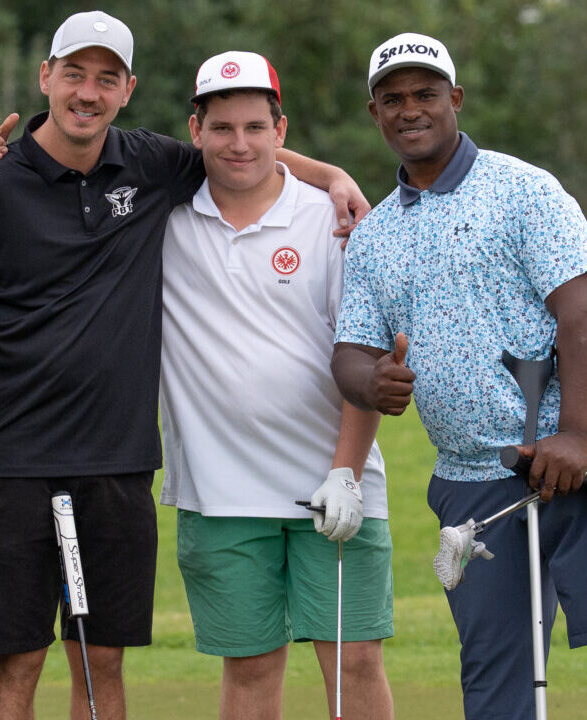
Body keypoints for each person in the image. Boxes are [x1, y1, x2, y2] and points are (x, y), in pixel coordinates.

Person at [0, 11, 369, 720]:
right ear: (46, 77)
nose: (88, 92)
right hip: (12, 461)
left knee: (100, 662)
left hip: (118, 463)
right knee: (16, 659)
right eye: (74, 74)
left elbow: (243, 154)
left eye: (107, 79)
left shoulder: (149, 164)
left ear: (128, 89)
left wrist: (333, 176)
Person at [330, 33, 587, 720]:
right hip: (470, 481)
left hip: (569, 461)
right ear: (374, 112)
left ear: (455, 98)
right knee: (495, 680)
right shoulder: (374, 235)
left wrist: (574, 433)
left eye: (424, 94)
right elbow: (351, 353)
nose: (409, 110)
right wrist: (371, 383)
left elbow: (583, 314)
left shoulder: (525, 191)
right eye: (392, 99)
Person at [156, 51, 393, 718]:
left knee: (355, 660)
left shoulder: (334, 219)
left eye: (255, 127)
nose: (240, 144)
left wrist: (345, 471)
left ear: (280, 130)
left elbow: (365, 356)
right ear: (195, 129)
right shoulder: (163, 218)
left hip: (335, 482)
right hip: (219, 490)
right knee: (252, 670)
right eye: (222, 127)